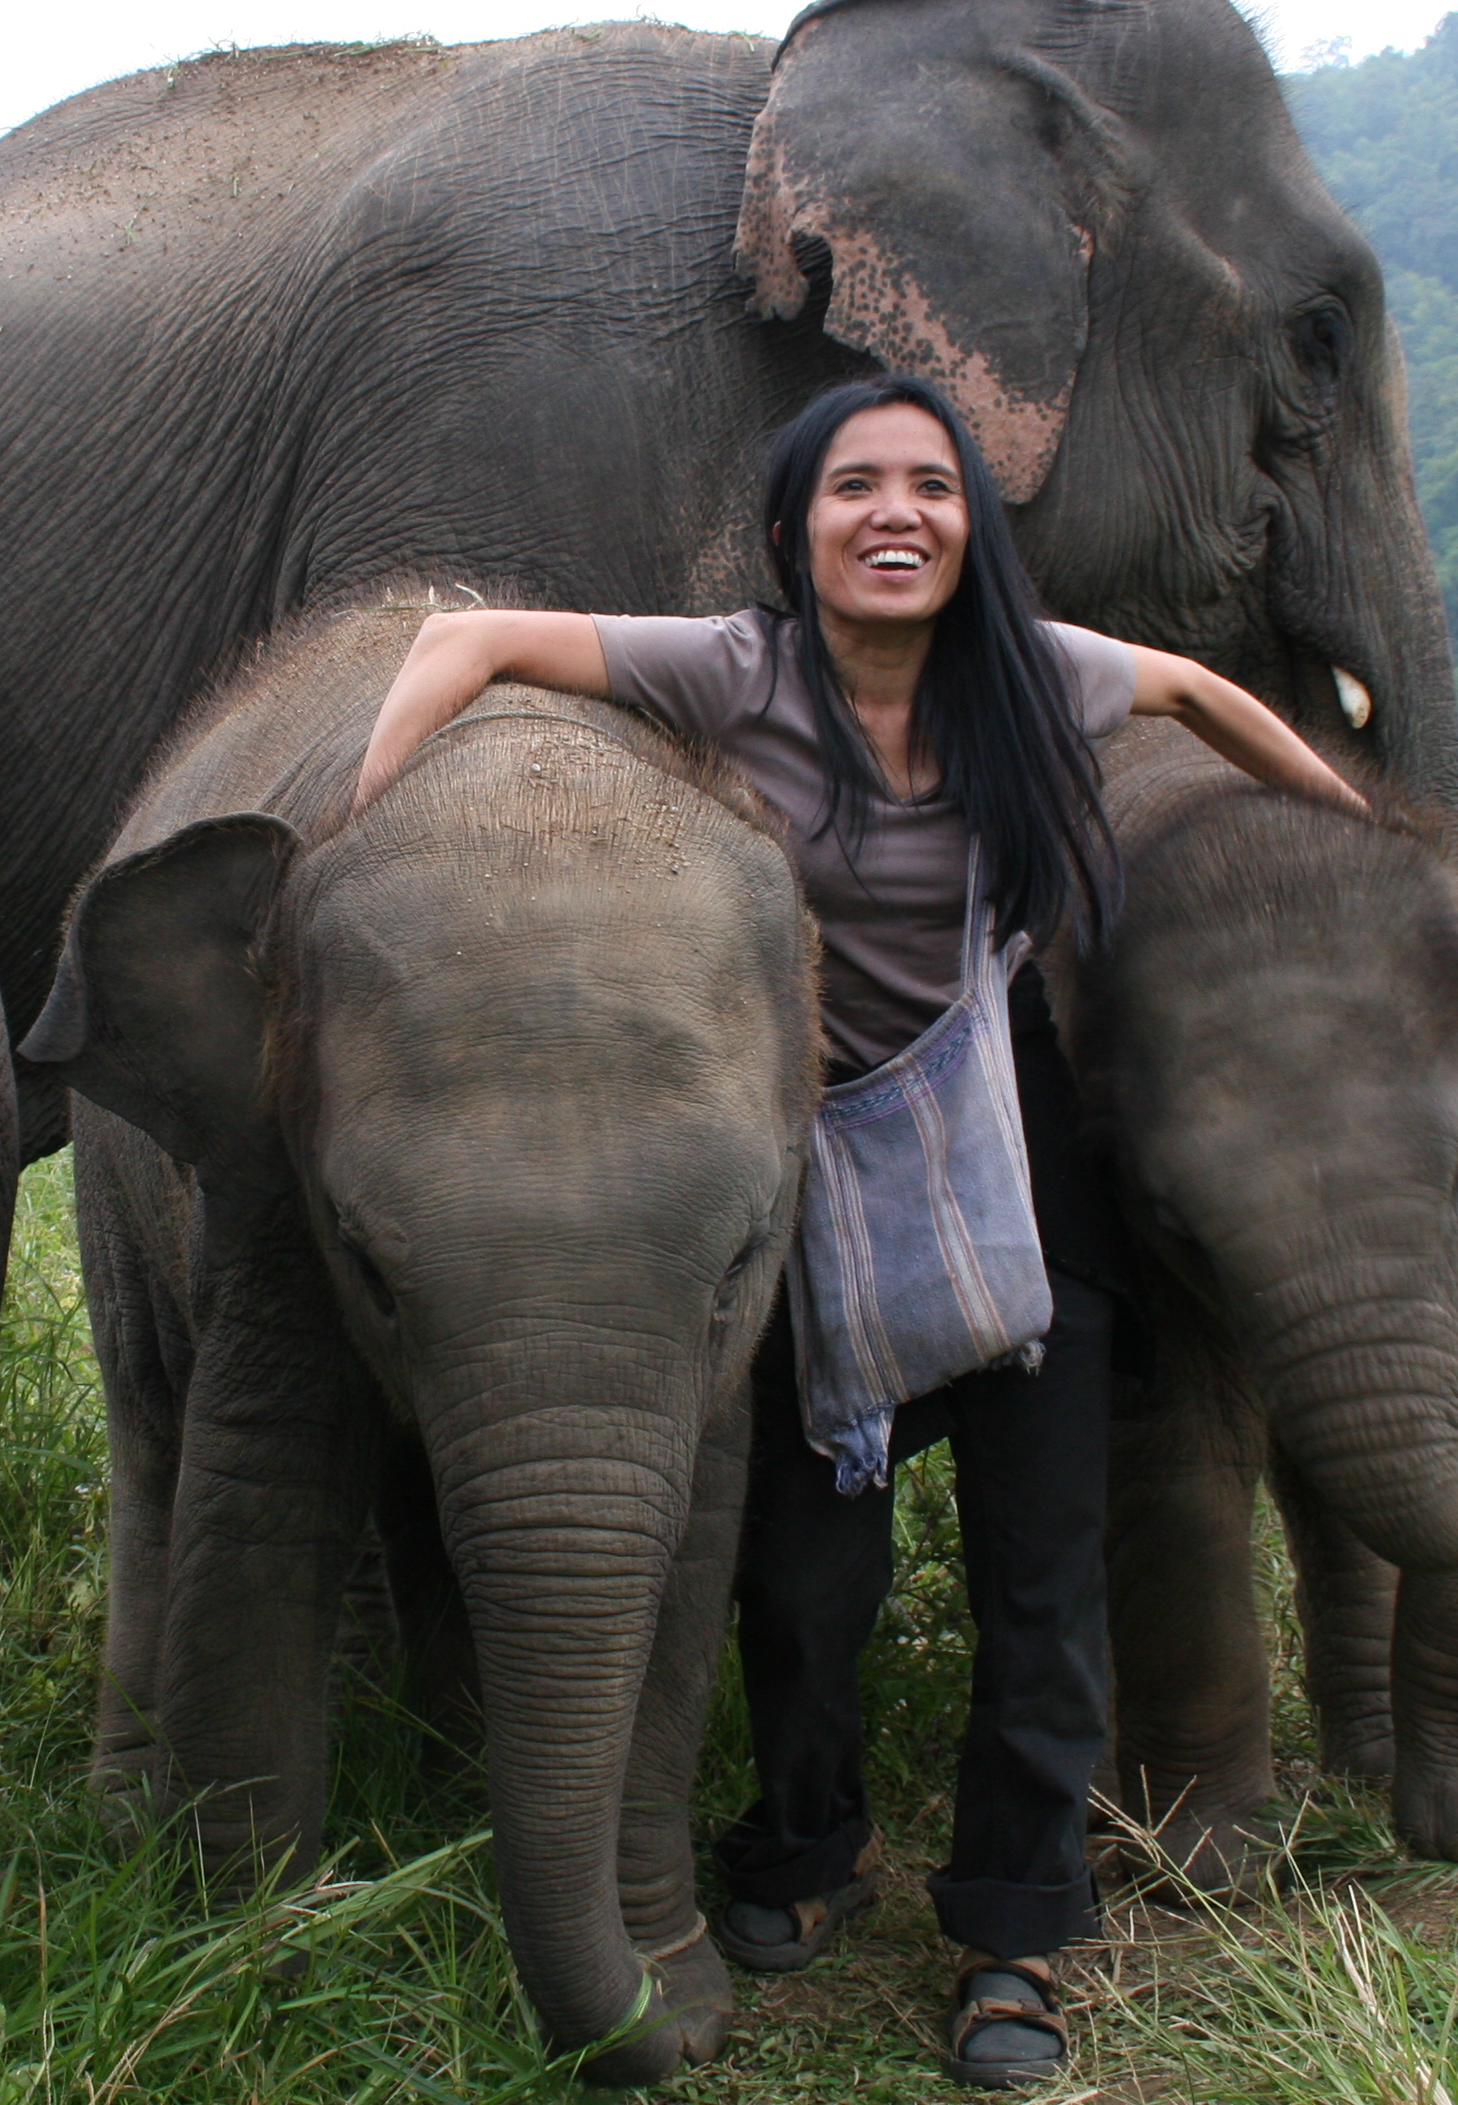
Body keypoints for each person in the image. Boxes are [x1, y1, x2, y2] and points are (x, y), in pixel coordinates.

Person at [353, 374, 1364, 2086]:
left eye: (931, 488)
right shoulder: (731, 671)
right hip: (810, 1155)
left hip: (1004, 1127)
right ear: (789, 533)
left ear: (972, 530)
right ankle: (807, 1849)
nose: (896, 514)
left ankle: (1015, 1939)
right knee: (812, 1571)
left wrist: (1360, 838)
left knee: (1042, 1568)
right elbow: (470, 645)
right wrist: (353, 849)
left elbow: (1197, 690)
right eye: (855, 489)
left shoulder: (1033, 680)